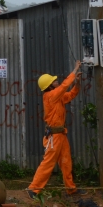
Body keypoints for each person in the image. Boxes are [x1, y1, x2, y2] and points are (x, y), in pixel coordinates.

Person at [27, 61, 82, 199]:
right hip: (54, 137)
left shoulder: (56, 97)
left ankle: (71, 189)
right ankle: (33, 189)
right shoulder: (50, 96)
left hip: (60, 135)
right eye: (54, 81)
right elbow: (64, 86)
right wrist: (75, 70)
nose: (57, 82)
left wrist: (77, 83)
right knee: (48, 163)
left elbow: (70, 95)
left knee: (66, 162)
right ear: (50, 86)